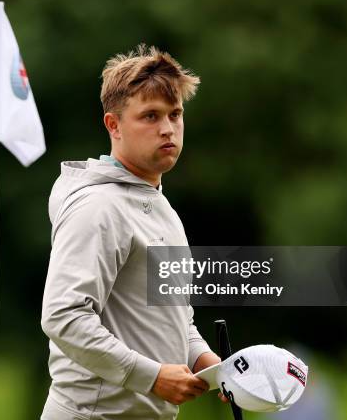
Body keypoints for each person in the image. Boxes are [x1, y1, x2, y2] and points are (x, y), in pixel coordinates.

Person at [40, 44, 222, 419]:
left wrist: (212, 365)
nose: (168, 128)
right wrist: (152, 377)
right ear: (114, 124)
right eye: (150, 116)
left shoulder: (161, 206)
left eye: (175, 114)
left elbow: (174, 319)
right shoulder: (97, 207)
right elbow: (64, 316)